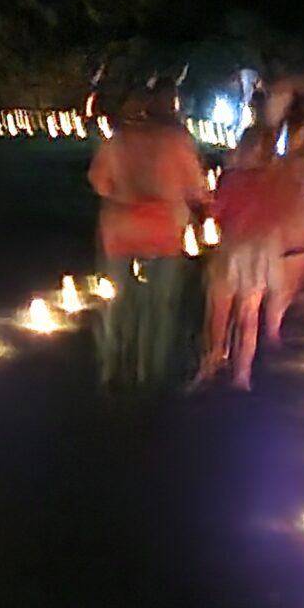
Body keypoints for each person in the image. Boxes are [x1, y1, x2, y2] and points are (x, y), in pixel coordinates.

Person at [87, 81, 210, 394]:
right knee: (160, 306)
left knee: (116, 301)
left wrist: (125, 194)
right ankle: (148, 370)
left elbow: (98, 182)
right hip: (163, 232)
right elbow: (196, 189)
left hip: (120, 229)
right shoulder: (179, 142)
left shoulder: (120, 139)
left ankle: (111, 366)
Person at [195, 93, 304, 390]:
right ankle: (242, 375)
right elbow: (292, 204)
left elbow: (216, 212)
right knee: (249, 315)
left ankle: (212, 362)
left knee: (219, 313)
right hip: (261, 251)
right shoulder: (275, 181)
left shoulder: (233, 179)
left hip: (234, 249)